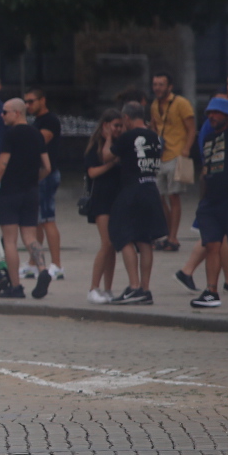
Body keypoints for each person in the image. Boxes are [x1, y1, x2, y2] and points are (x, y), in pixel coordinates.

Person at [182, 71, 228, 308]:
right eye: (209, 112)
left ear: (227, 116)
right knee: (211, 244)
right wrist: (202, 203)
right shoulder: (208, 138)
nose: (212, 116)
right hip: (211, 202)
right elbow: (206, 172)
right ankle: (211, 291)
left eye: (217, 112)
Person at [0, 98, 51, 299]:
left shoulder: (11, 134)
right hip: (31, 191)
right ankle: (43, 269)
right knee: (30, 236)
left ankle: (16, 286)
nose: (2, 115)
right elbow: (47, 167)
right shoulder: (36, 134)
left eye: (5, 112)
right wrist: (33, 179)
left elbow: (2, 165)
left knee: (11, 241)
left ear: (17, 113)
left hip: (10, 192)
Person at [107, 102, 166, 304]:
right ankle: (145, 289)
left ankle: (133, 287)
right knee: (144, 239)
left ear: (126, 118)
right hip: (151, 188)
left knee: (122, 236)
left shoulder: (128, 137)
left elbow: (107, 155)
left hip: (132, 191)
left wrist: (108, 137)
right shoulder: (156, 138)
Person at [21, 88, 67, 283]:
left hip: (46, 175)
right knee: (37, 220)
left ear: (42, 100)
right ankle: (33, 262)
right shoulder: (38, 121)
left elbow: (38, 142)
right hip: (38, 175)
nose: (28, 106)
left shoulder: (49, 120)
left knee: (47, 219)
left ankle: (56, 265)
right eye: (26, 102)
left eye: (31, 101)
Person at [149, 72, 195, 251]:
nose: (157, 88)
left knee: (173, 196)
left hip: (177, 154)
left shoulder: (181, 103)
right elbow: (155, 126)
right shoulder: (154, 105)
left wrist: (186, 149)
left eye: (161, 84)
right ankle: (168, 233)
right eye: (155, 84)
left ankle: (173, 237)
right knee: (159, 196)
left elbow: (191, 129)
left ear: (170, 86)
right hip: (161, 155)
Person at [83, 110, 125, 304]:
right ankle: (93, 287)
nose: (118, 129)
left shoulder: (121, 144)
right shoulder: (97, 146)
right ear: (105, 125)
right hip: (101, 200)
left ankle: (108, 288)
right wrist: (112, 161)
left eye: (120, 126)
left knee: (113, 246)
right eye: (115, 125)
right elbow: (92, 172)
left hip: (117, 198)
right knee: (106, 243)